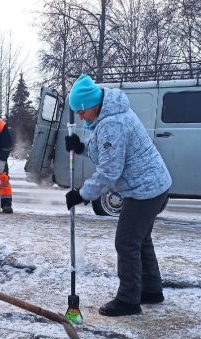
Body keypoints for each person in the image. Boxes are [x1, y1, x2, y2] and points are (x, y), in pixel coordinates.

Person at [64, 74, 172, 317]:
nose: (81, 117)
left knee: (126, 242)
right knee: (140, 239)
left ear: (92, 104)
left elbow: (109, 171)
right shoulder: (110, 114)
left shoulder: (113, 123)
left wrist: (82, 195)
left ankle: (128, 300)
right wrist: (81, 148)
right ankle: (151, 291)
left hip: (144, 190)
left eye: (81, 112)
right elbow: (105, 150)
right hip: (154, 185)